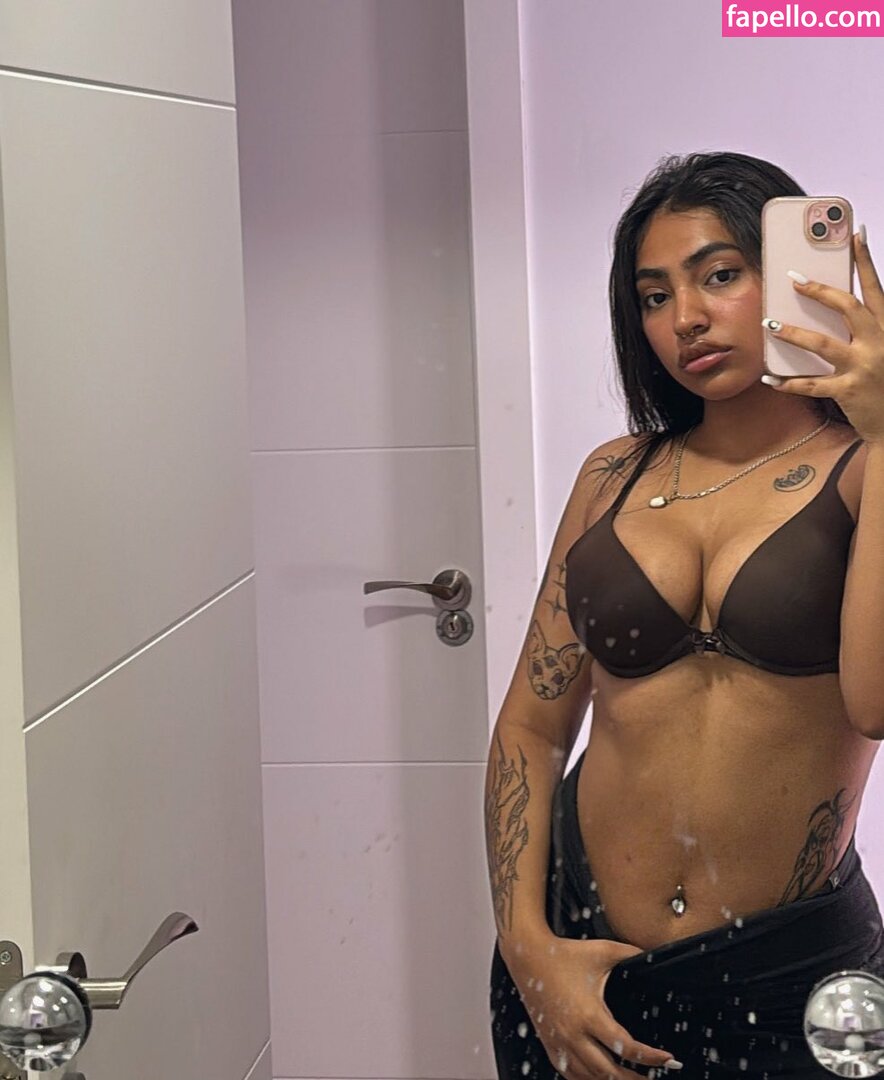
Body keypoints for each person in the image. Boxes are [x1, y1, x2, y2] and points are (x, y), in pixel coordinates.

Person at [485, 151, 884, 1080]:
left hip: (788, 976)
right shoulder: (612, 476)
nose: (686, 318)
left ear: (795, 276)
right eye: (654, 296)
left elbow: (874, 703)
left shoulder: (865, 470)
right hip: (582, 961)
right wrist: (528, 947)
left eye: (720, 275)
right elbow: (532, 729)